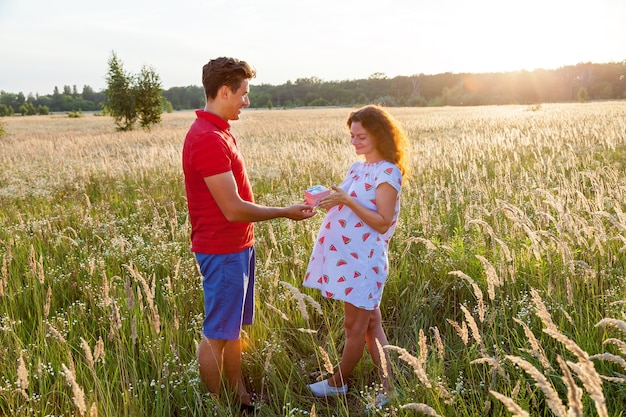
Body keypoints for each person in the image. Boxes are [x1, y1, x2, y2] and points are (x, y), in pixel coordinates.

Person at [182, 57, 316, 410]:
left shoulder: (219, 130)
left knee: (234, 329)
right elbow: (233, 208)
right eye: (243, 93)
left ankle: (240, 396)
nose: (247, 100)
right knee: (217, 333)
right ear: (224, 91)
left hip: (237, 247)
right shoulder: (208, 138)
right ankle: (216, 406)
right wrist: (285, 212)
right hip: (223, 251)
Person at [302, 104, 410, 407]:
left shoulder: (387, 172)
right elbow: (350, 203)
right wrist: (327, 199)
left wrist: (347, 200)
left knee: (355, 327)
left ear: (378, 134)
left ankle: (338, 382)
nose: (355, 142)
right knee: (372, 324)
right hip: (347, 259)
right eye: (352, 136)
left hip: (364, 263)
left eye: (361, 136)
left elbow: (382, 221)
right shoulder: (358, 168)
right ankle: (390, 387)